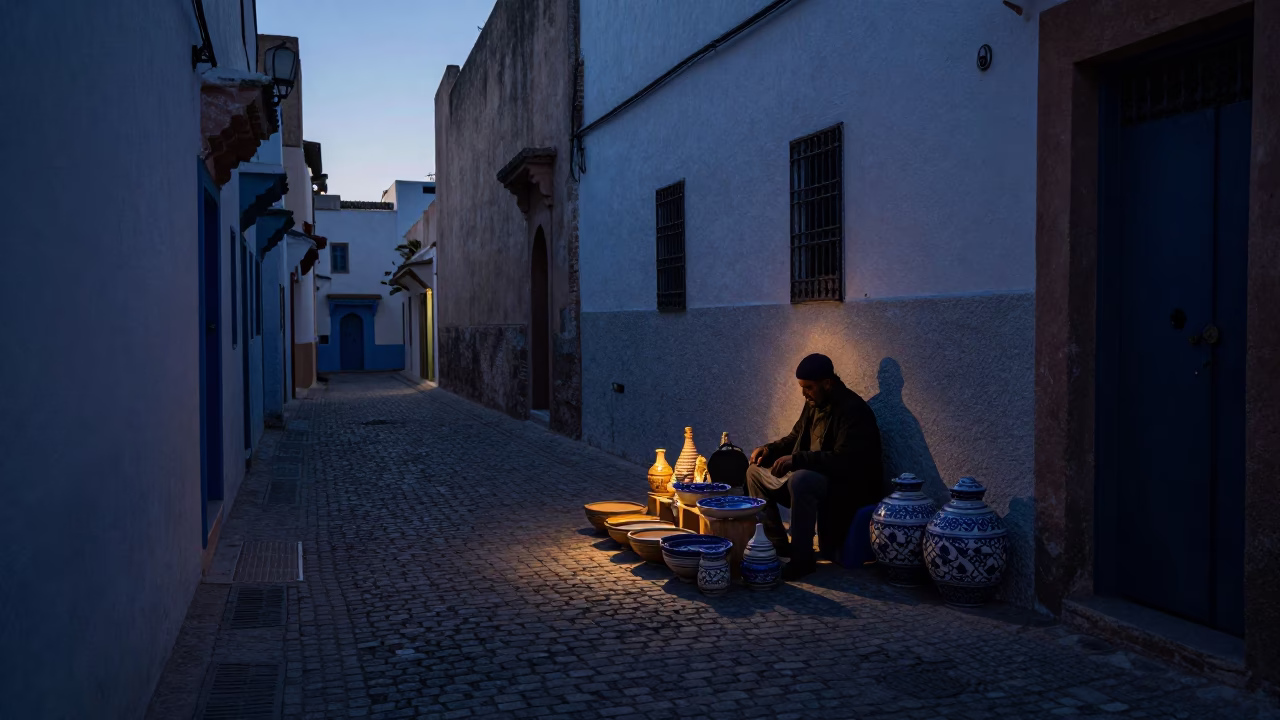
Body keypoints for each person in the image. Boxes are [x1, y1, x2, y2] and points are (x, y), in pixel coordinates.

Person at [747, 353, 883, 580]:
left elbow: (844, 460)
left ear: (827, 384)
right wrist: (769, 450)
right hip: (812, 475)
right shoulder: (813, 402)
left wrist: (798, 460)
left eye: (808, 387)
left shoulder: (853, 410)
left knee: (802, 479)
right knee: (754, 472)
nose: (804, 393)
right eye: (802, 387)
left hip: (844, 485)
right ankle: (777, 545)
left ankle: (802, 560)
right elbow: (794, 437)